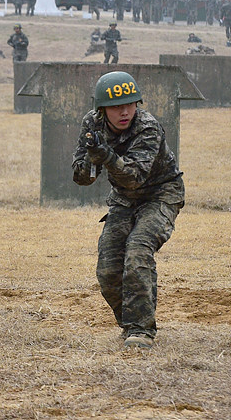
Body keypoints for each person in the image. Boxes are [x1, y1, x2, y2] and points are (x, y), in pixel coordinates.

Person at [72, 71, 184, 349]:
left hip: (160, 194)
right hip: (123, 199)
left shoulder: (148, 127)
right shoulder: (92, 124)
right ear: (102, 109)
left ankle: (141, 330)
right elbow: (81, 178)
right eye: (116, 106)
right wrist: (91, 157)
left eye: (130, 104)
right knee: (108, 269)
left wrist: (107, 156)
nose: (124, 112)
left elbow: (134, 177)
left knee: (137, 251)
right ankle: (130, 322)